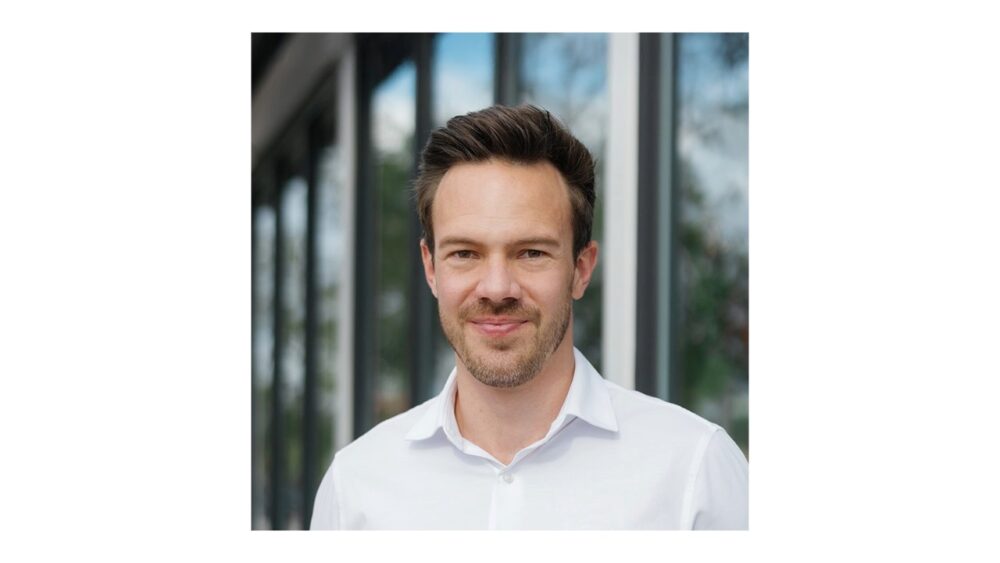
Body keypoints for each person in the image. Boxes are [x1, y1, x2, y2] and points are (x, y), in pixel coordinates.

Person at [310, 104, 748, 530]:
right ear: (431, 268)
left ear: (581, 268)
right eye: (465, 253)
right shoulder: (355, 490)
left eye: (531, 253)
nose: (497, 288)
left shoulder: (693, 471)